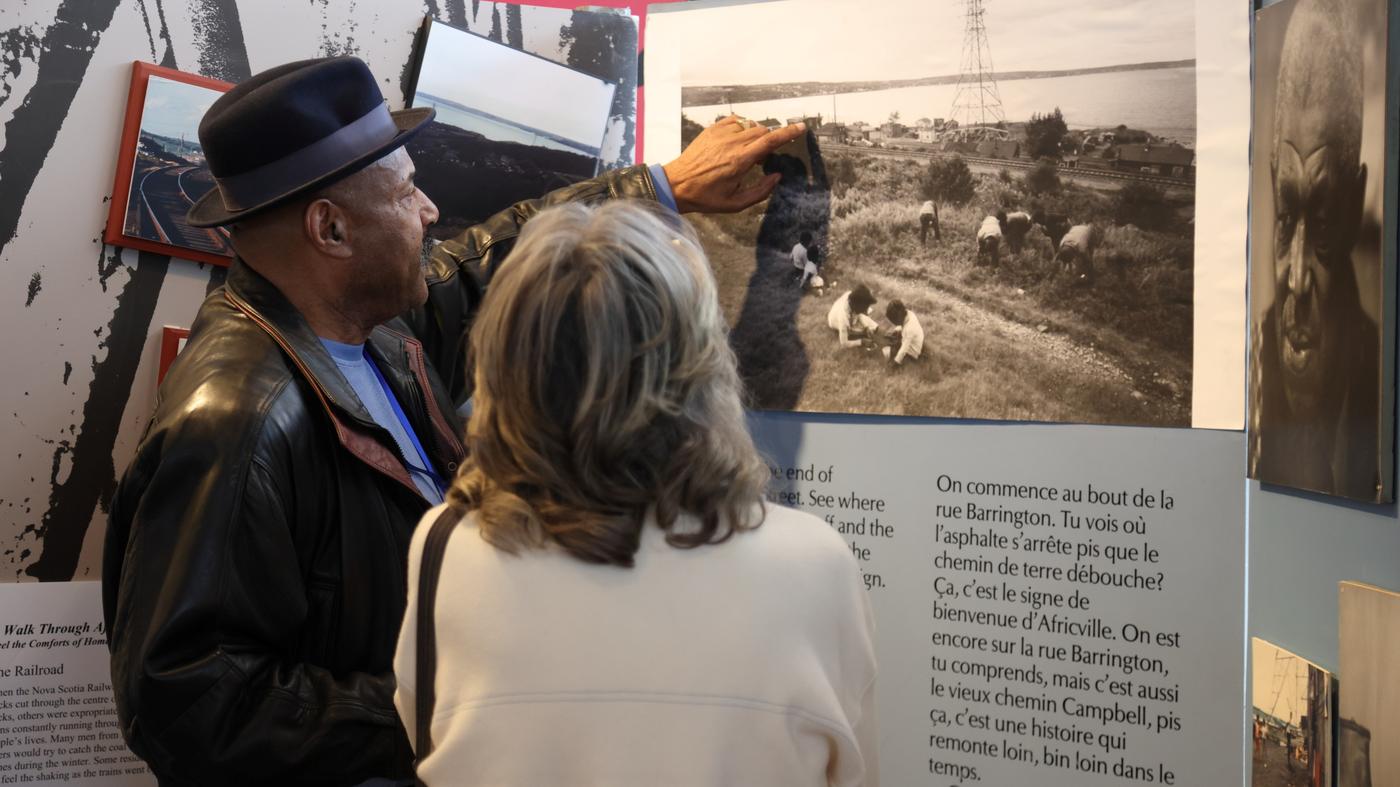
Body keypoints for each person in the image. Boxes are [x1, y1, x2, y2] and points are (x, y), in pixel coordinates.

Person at [101, 56, 805, 786]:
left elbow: (483, 261)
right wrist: (439, 701)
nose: (431, 211)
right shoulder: (235, 423)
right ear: (332, 228)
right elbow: (187, 704)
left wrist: (661, 187)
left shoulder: (368, 327)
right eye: (408, 192)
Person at [393, 201, 878, 786]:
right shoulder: (814, 563)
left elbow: (422, 733)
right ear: (701, 365)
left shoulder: (444, 547)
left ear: (504, 365)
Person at [1249, 0, 1380, 501]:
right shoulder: (1254, 356)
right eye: (1286, 220)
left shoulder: (1377, 373)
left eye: (1322, 224)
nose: (1296, 278)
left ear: (1353, 208)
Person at [827, 284, 879, 350]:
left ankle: (865, 330)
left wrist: (866, 327)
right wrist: (861, 342)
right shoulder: (843, 317)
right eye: (864, 308)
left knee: (872, 326)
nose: (866, 311)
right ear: (857, 306)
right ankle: (859, 333)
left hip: (852, 313)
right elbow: (844, 343)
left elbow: (859, 314)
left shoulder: (852, 297)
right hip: (835, 320)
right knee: (859, 332)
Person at [881, 299, 924, 368]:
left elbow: (903, 350)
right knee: (890, 341)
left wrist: (894, 365)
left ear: (899, 317)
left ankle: (896, 362)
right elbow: (903, 326)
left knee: (888, 352)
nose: (895, 324)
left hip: (911, 353)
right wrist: (896, 330)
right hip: (909, 341)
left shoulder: (910, 328)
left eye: (895, 322)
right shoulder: (909, 314)